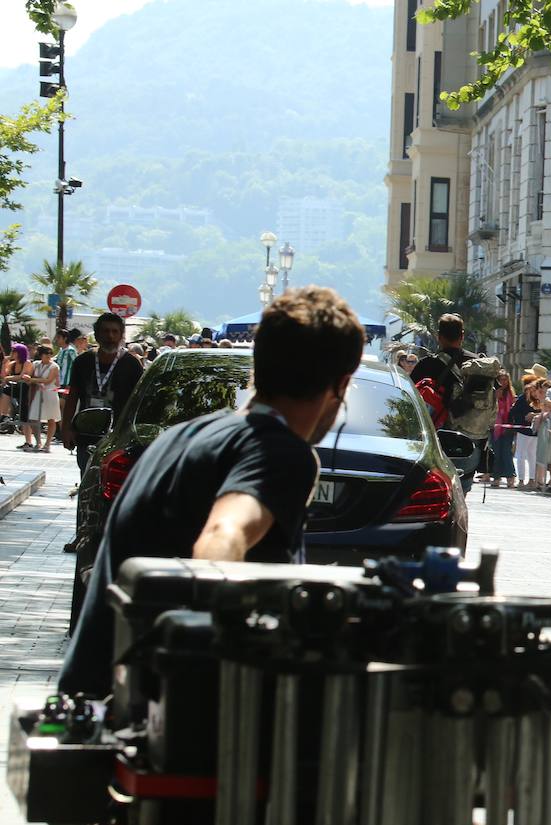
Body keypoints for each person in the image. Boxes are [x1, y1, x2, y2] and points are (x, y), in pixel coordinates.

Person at [61, 286, 365, 698]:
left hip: (90, 703)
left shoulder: (178, 439)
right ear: (341, 385)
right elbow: (224, 536)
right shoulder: (282, 452)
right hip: (158, 721)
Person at [409, 313, 484, 492]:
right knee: (461, 491)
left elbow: (410, 401)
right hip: (469, 441)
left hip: (434, 439)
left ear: (438, 336)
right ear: (462, 336)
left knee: (433, 490)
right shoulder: (479, 364)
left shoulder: (426, 365)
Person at [61, 313, 144, 473]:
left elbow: (139, 402)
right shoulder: (82, 362)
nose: (110, 336)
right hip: (87, 434)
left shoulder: (132, 364)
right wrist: (66, 429)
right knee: (87, 478)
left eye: (115, 332)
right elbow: (73, 396)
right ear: (97, 334)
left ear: (121, 335)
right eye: (105, 331)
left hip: (119, 437)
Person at [28, 345, 61, 452]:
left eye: (50, 354)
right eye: (46, 354)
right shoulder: (36, 364)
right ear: (41, 355)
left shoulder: (54, 366)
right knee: (33, 418)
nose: (48, 356)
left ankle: (47, 443)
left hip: (50, 393)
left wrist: (33, 380)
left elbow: (48, 380)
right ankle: (38, 442)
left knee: (51, 419)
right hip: (38, 393)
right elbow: (30, 375)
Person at [487, 369, 517, 487]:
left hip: (508, 427)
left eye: (505, 380)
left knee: (507, 453)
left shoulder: (510, 393)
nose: (503, 382)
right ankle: (496, 477)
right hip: (495, 427)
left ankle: (510, 477)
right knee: (496, 453)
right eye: (501, 380)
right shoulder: (492, 393)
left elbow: (512, 410)